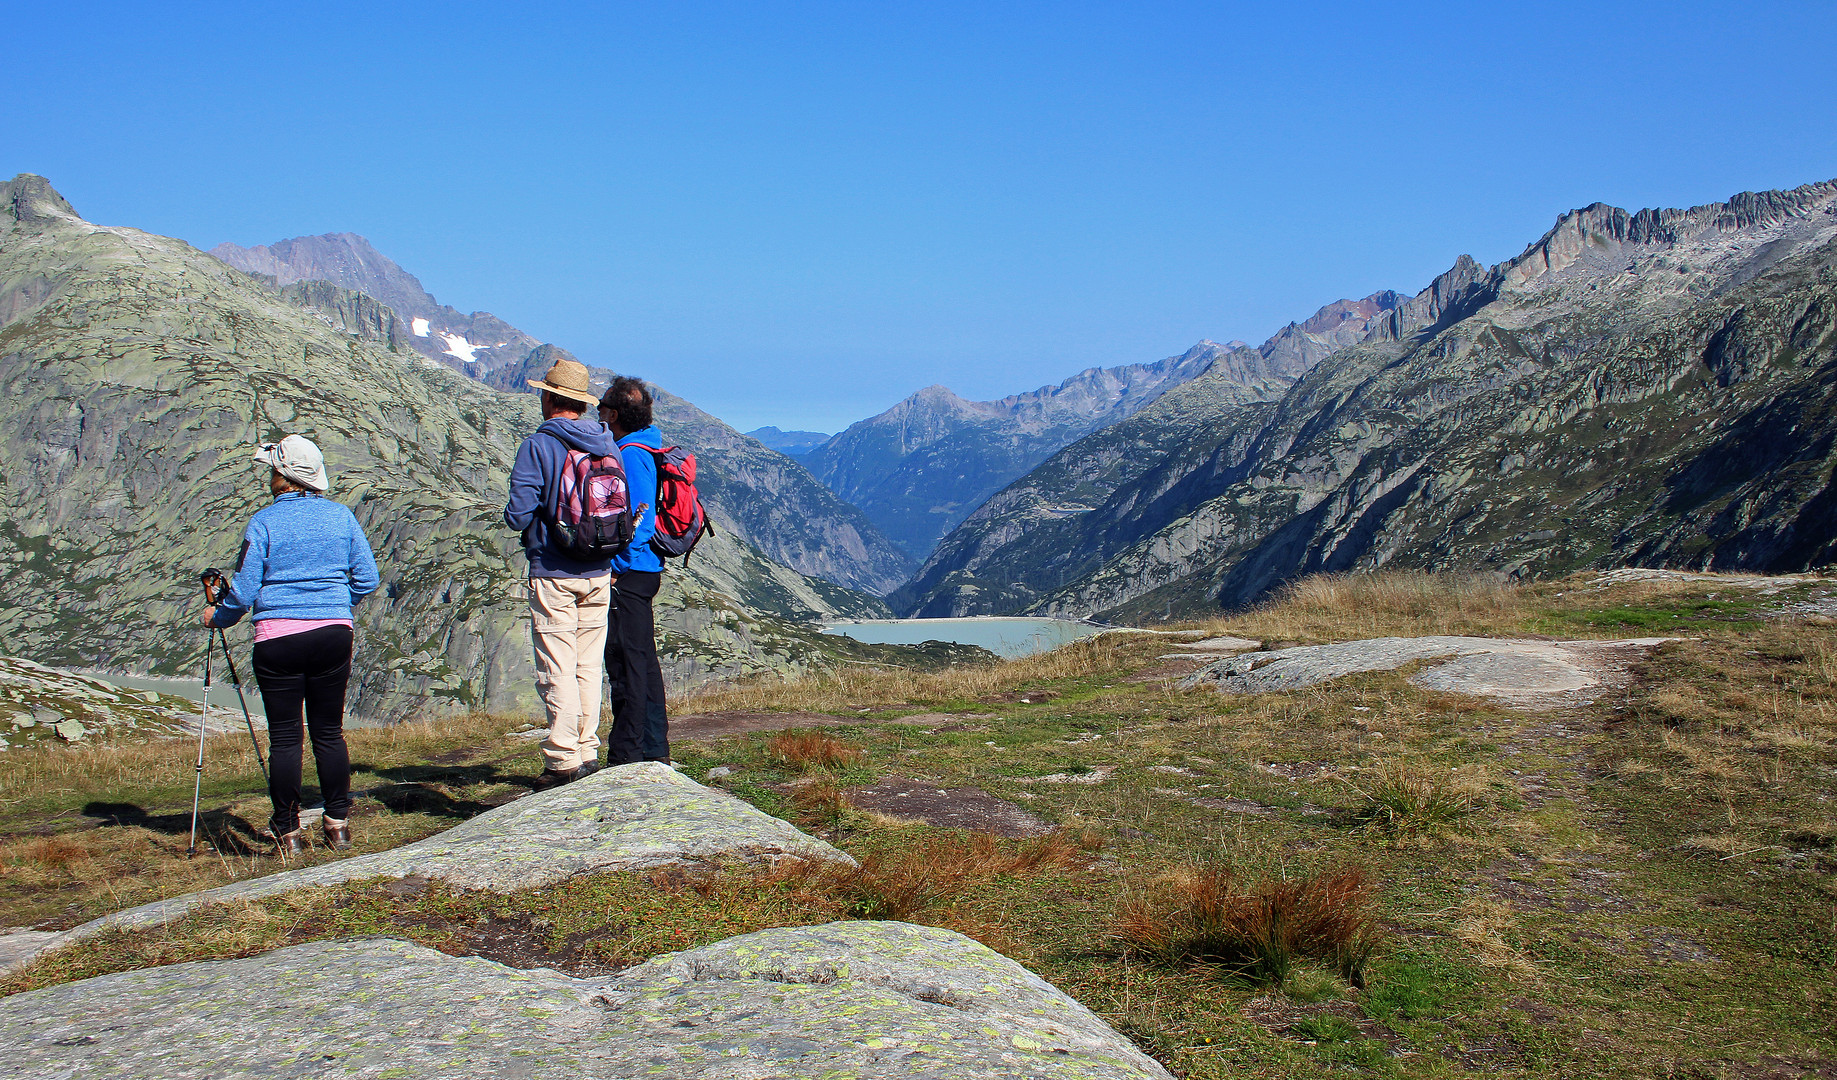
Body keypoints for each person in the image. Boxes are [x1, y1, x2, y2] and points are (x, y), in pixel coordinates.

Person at [204, 435, 379, 854]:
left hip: (278, 637)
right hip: (334, 633)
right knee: (329, 733)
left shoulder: (263, 522)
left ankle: (289, 832)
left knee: (285, 738)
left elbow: (244, 593)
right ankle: (337, 825)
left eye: (272, 469)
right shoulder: (341, 517)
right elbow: (367, 579)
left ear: (281, 476)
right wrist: (334, 603)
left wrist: (218, 616)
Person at [504, 358, 622, 790]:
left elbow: (517, 515)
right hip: (599, 569)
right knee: (588, 664)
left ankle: (562, 758)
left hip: (554, 569)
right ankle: (588, 748)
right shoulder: (607, 445)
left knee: (556, 663)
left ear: (550, 398)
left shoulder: (539, 445)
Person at [599, 376, 670, 766]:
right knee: (639, 659)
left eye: (601, 408)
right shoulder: (643, 446)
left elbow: (641, 517)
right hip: (640, 569)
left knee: (628, 662)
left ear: (613, 414)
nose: (597, 415)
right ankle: (653, 749)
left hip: (631, 572)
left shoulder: (631, 453)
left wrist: (618, 565)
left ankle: (630, 753)